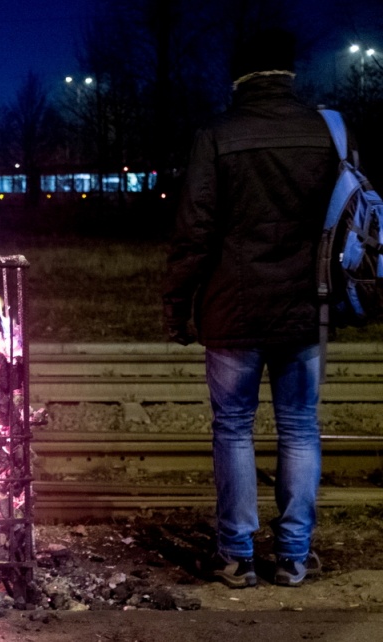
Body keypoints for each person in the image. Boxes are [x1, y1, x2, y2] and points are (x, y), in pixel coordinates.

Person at [163, 27, 339, 589]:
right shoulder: (327, 132)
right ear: (289, 71)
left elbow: (195, 231)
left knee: (234, 429)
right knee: (300, 428)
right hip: (306, 308)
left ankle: (236, 556)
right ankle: (293, 556)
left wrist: (177, 305)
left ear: (237, 76)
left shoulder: (216, 134)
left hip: (232, 312)